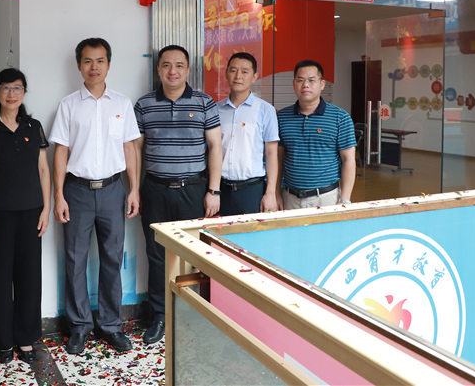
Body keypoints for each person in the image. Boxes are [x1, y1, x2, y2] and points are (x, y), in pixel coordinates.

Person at [50, 38, 141, 355]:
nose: (94, 67)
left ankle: (111, 326)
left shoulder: (122, 104)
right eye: (87, 61)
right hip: (76, 191)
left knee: (112, 259)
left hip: (114, 190)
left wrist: (134, 189)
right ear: (79, 65)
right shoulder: (68, 105)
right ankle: (79, 326)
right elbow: (61, 151)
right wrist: (58, 195)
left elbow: (129, 148)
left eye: (100, 60)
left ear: (109, 64)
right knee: (75, 260)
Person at [134, 45, 222, 345]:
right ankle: (159, 315)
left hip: (193, 189)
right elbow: (136, 150)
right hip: (155, 189)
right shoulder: (144, 105)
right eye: (167, 65)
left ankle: (193, 312)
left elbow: (216, 147)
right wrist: (135, 190)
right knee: (156, 255)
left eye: (179, 65)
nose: (173, 71)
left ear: (188, 70)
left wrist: (213, 190)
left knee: (195, 254)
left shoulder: (204, 103)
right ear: (158, 69)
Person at [0, 68, 51, 365]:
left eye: (17, 88)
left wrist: (46, 208)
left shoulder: (33, 126)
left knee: (29, 278)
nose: (11, 94)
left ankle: (26, 339)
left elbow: (43, 169)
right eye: (6, 87)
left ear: (24, 93)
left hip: (31, 213)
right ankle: (3, 341)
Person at [277, 60, 356, 209]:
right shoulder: (281, 117)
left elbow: (349, 160)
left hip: (326, 198)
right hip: (290, 198)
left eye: (311, 80)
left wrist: (345, 199)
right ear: (294, 84)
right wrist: (276, 193)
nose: (305, 85)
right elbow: (278, 160)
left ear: (322, 84)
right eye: (300, 80)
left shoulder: (340, 117)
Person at [217, 52, 280, 215]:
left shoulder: (266, 110)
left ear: (254, 77)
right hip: (220, 189)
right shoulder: (215, 110)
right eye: (233, 70)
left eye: (245, 71)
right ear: (226, 73)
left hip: (251, 190)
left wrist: (271, 193)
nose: (238, 76)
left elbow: (272, 154)